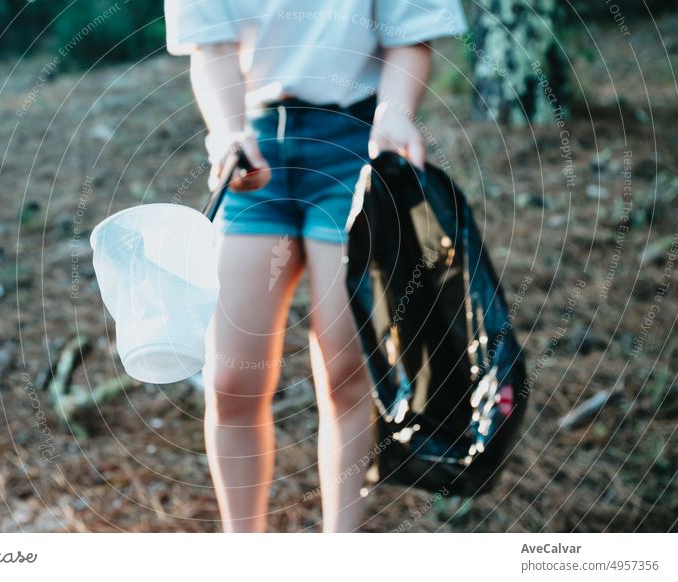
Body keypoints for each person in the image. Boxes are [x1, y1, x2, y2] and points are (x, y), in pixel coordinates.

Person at [164, 0, 467, 532]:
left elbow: (410, 34)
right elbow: (210, 47)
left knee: (346, 372)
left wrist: (396, 115)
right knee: (231, 378)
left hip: (354, 144)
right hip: (253, 148)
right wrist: (228, 132)